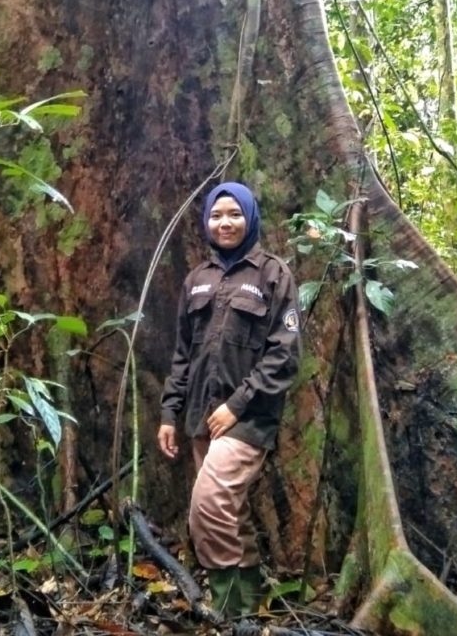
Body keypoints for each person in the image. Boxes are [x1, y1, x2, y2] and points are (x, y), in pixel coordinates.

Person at [157, 181, 301, 619]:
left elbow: (285, 354)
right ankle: (242, 607)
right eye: (217, 215)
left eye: (234, 214)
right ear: (206, 222)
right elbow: (183, 353)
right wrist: (169, 412)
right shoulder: (196, 279)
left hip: (248, 418)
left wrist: (238, 404)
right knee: (227, 511)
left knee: (209, 505)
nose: (225, 222)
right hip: (201, 414)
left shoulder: (274, 275)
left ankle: (226, 604)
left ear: (251, 217)